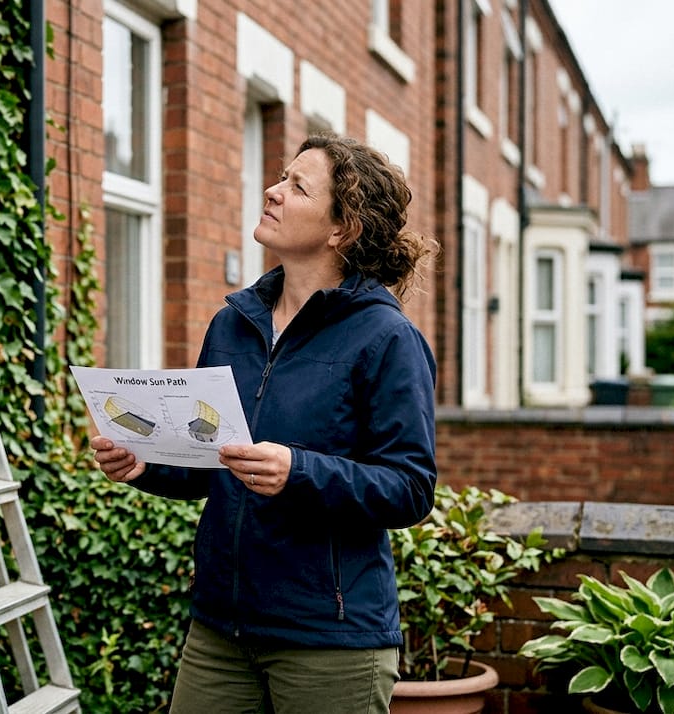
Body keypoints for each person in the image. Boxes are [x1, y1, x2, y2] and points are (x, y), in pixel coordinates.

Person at [90, 133, 438, 713]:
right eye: (281, 177)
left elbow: (410, 488)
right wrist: (145, 463)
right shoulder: (234, 325)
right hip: (221, 631)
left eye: (297, 186)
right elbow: (212, 460)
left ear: (340, 229)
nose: (273, 192)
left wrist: (298, 471)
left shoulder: (386, 339)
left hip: (329, 642)